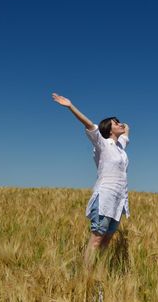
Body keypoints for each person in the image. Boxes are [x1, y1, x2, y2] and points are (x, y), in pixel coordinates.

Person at [52, 93, 131, 267]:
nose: (120, 124)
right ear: (109, 130)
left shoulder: (120, 147)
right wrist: (70, 106)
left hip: (118, 201)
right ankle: (86, 277)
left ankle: (98, 272)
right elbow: (89, 124)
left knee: (105, 243)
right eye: (115, 123)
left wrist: (120, 123)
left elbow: (127, 128)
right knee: (96, 241)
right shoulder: (102, 143)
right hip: (105, 197)